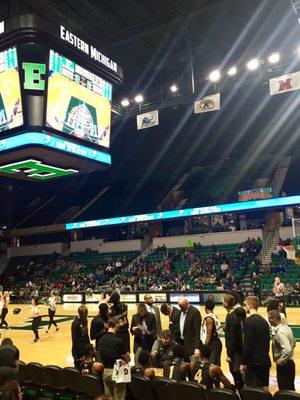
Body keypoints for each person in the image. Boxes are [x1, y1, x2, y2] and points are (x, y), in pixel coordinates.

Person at [240, 296, 271, 391]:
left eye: (245, 305)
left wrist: (243, 362)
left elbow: (247, 344)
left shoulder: (248, 322)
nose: (245, 307)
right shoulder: (264, 322)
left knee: (251, 390)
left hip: (253, 362)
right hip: (265, 360)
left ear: (249, 306)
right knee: (265, 388)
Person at [98, 318, 130, 400]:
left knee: (108, 398)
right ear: (117, 326)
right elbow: (128, 358)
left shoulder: (101, 340)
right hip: (117, 372)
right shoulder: (118, 341)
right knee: (119, 398)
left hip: (105, 372)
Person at [268, 310, 296, 391]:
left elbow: (287, 349)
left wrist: (281, 361)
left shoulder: (280, 332)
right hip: (290, 363)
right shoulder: (287, 328)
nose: (269, 321)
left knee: (284, 390)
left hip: (285, 365)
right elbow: (293, 343)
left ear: (274, 319)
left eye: (269, 318)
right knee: (290, 389)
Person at [223, 294, 244, 391]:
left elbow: (233, 338)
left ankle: (241, 390)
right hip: (234, 349)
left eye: (223, 301)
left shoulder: (231, 318)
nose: (222, 302)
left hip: (235, 351)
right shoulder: (231, 315)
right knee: (234, 371)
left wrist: (230, 355)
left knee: (235, 371)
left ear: (226, 303)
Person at [201, 299, 222, 366]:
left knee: (211, 366)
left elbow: (209, 335)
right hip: (215, 343)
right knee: (213, 366)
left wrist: (205, 348)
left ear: (205, 307)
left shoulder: (209, 319)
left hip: (213, 344)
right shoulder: (214, 316)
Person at [71, 305, 90, 369]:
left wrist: (89, 346)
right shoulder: (75, 324)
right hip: (78, 351)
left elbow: (86, 334)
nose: (85, 316)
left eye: (86, 315)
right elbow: (74, 340)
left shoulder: (85, 320)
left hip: (85, 348)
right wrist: (80, 354)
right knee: (78, 369)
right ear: (80, 314)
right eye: (84, 315)